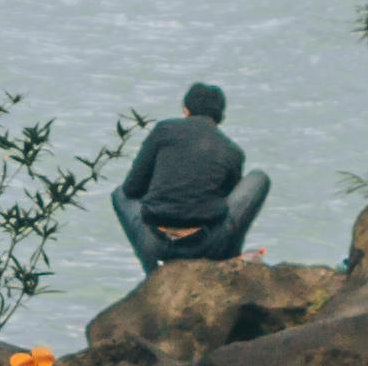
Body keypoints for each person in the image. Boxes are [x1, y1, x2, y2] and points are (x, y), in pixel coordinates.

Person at [115, 82, 271, 270]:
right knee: (259, 177)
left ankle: (151, 270)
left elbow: (132, 189)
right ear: (220, 117)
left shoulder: (163, 130)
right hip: (206, 246)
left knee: (119, 193)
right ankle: (228, 258)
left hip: (155, 243)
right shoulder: (232, 151)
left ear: (185, 110)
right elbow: (226, 203)